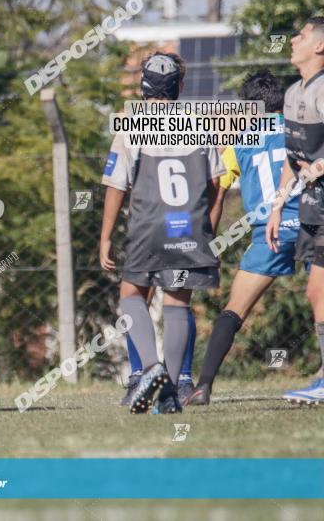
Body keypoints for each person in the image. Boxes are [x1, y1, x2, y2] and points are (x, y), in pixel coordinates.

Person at [100, 52, 224, 414]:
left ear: (143, 84)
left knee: (131, 295)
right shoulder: (199, 122)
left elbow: (115, 185)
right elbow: (217, 185)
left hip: (147, 223)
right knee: (177, 302)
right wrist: (208, 233)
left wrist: (105, 236)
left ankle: (149, 368)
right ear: (179, 87)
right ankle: (170, 394)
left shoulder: (131, 121)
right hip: (187, 225)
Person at [186, 70, 300, 406]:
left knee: (233, 311)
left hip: (269, 233)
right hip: (311, 226)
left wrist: (210, 244)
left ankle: (204, 385)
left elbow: (217, 197)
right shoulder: (300, 128)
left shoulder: (240, 141)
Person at [266, 16, 324, 405]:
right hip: (311, 207)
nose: (293, 40)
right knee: (315, 291)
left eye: (301, 36)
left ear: (319, 46)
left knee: (318, 289)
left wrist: (319, 167)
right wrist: (277, 205)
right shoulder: (291, 94)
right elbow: (292, 159)